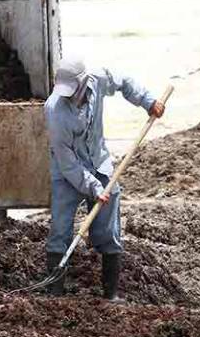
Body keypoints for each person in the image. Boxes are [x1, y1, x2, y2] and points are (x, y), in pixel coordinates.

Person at [43, 57, 165, 299]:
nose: (67, 95)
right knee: (60, 230)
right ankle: (54, 293)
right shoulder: (54, 111)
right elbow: (67, 163)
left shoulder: (98, 78)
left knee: (109, 232)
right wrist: (93, 187)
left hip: (100, 163)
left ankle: (110, 294)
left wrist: (147, 102)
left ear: (83, 82)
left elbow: (125, 82)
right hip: (68, 173)